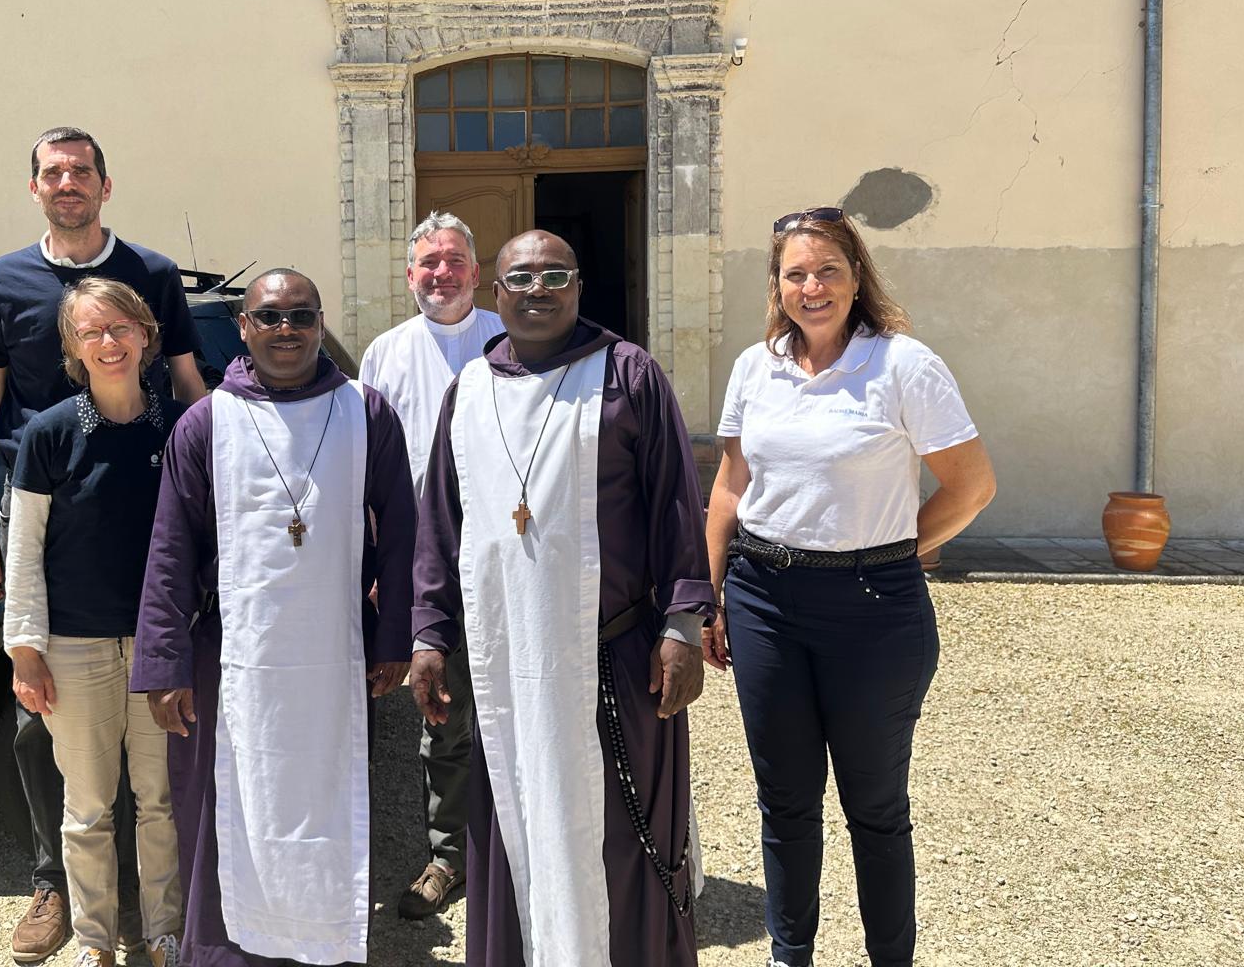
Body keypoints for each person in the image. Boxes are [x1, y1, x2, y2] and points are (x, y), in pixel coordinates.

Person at [702, 207, 997, 967]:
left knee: (875, 806)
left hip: (872, 611)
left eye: (828, 270)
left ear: (857, 276)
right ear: (777, 285)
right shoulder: (755, 367)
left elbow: (971, 486)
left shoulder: (902, 365)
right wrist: (710, 594)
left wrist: (894, 551)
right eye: (795, 273)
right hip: (764, 599)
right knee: (785, 802)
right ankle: (789, 953)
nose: (813, 287)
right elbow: (731, 485)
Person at [411, 230, 713, 967]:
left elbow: (675, 503)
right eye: (521, 278)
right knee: (517, 826)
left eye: (555, 275)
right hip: (507, 667)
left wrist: (682, 625)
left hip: (614, 658)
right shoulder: (470, 391)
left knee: (622, 837)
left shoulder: (628, 375)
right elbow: (440, 524)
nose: (537, 289)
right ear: (497, 293)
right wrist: (429, 634)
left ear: (579, 286)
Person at [0, 126, 207, 963]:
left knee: (157, 779)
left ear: (106, 184)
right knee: (50, 743)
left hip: (143, 550)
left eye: (82, 171)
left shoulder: (154, 273)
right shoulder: (3, 281)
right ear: (35, 187)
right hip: (49, 521)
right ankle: (58, 893)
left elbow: (189, 386)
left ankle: (160, 920)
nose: (67, 183)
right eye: (53, 172)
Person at [131, 268, 416, 966]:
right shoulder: (208, 422)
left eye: (301, 316)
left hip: (335, 656)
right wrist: (164, 665)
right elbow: (171, 547)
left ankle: (325, 945)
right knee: (232, 804)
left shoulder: (365, 412)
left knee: (327, 798)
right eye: (269, 317)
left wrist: (395, 637)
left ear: (320, 324)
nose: (285, 330)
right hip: (234, 657)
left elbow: (403, 532)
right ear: (243, 327)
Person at [3, 278, 187, 967]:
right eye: (91, 331)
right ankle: (94, 941)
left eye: (120, 327)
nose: (108, 342)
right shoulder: (49, 434)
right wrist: (25, 650)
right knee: (87, 810)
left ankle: (165, 932)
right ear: (73, 347)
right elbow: (24, 549)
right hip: (74, 649)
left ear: (145, 335)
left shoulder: (179, 429)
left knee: (160, 801)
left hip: (159, 648)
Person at [358, 211, 504, 919]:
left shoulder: (510, 339)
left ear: (476, 271)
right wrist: (378, 565)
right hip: (425, 565)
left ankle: (518, 850)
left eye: (453, 261)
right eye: (428, 262)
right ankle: (451, 856)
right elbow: (369, 472)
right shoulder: (384, 355)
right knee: (441, 712)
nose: (441, 273)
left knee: (519, 706)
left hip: (509, 558)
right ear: (409, 274)